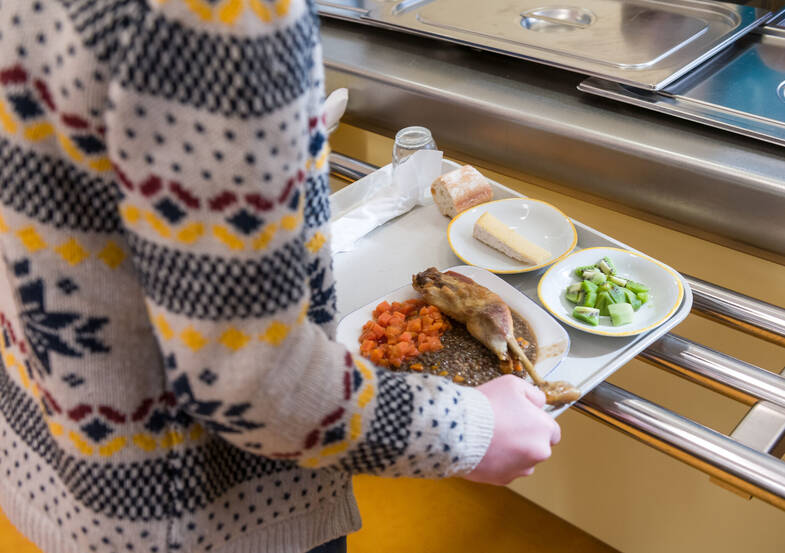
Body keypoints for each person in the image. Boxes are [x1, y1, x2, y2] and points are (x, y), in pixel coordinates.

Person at [0, 1, 560, 552]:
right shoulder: (224, 15)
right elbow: (250, 376)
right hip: (201, 510)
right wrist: (468, 429)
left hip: (60, 457)